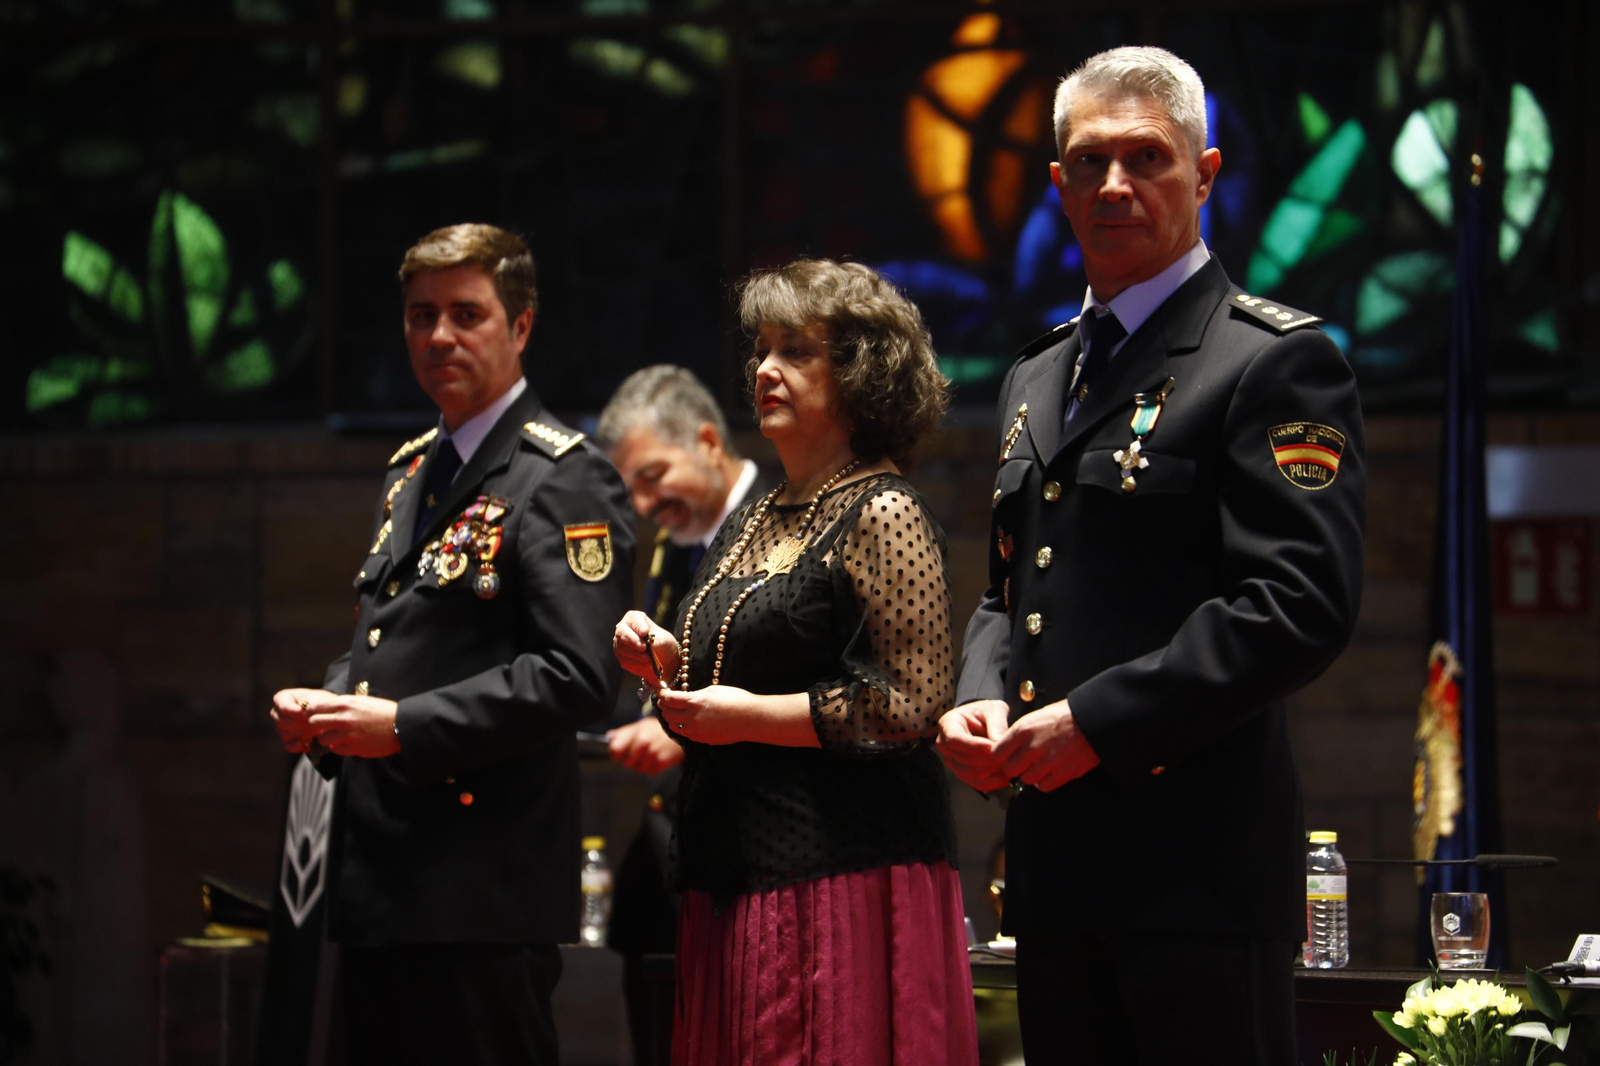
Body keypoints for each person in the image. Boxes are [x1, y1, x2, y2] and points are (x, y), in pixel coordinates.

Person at [937, 46, 1366, 1065]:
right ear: (1058, 184)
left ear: (1204, 174)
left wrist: (1098, 720)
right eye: (1089, 162)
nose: (1115, 184)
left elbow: (1298, 603)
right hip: (1053, 869)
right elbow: (1009, 589)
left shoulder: (1269, 360)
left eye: (1146, 157)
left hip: (1197, 877)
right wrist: (980, 689)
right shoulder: (1038, 373)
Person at [268, 223, 635, 1066]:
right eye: (420, 315)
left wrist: (402, 727)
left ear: (521, 325)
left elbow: (580, 676)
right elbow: (393, 636)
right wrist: (331, 697)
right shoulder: (411, 471)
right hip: (383, 877)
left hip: (481, 888)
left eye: (466, 314)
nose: (438, 336)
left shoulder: (563, 476)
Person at [612, 259, 978, 1066]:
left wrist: (746, 716)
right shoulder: (758, 516)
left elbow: (910, 704)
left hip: (840, 879)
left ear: (861, 373)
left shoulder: (883, 506)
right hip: (735, 874)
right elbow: (734, 664)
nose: (765, 370)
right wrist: (666, 654)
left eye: (796, 351)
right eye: (762, 350)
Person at [594, 365, 770, 1065]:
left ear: (707, 441)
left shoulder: (783, 521)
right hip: (674, 849)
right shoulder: (676, 544)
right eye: (631, 488)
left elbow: (806, 690)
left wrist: (681, 737)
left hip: (760, 856)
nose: (643, 504)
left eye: (653, 475)